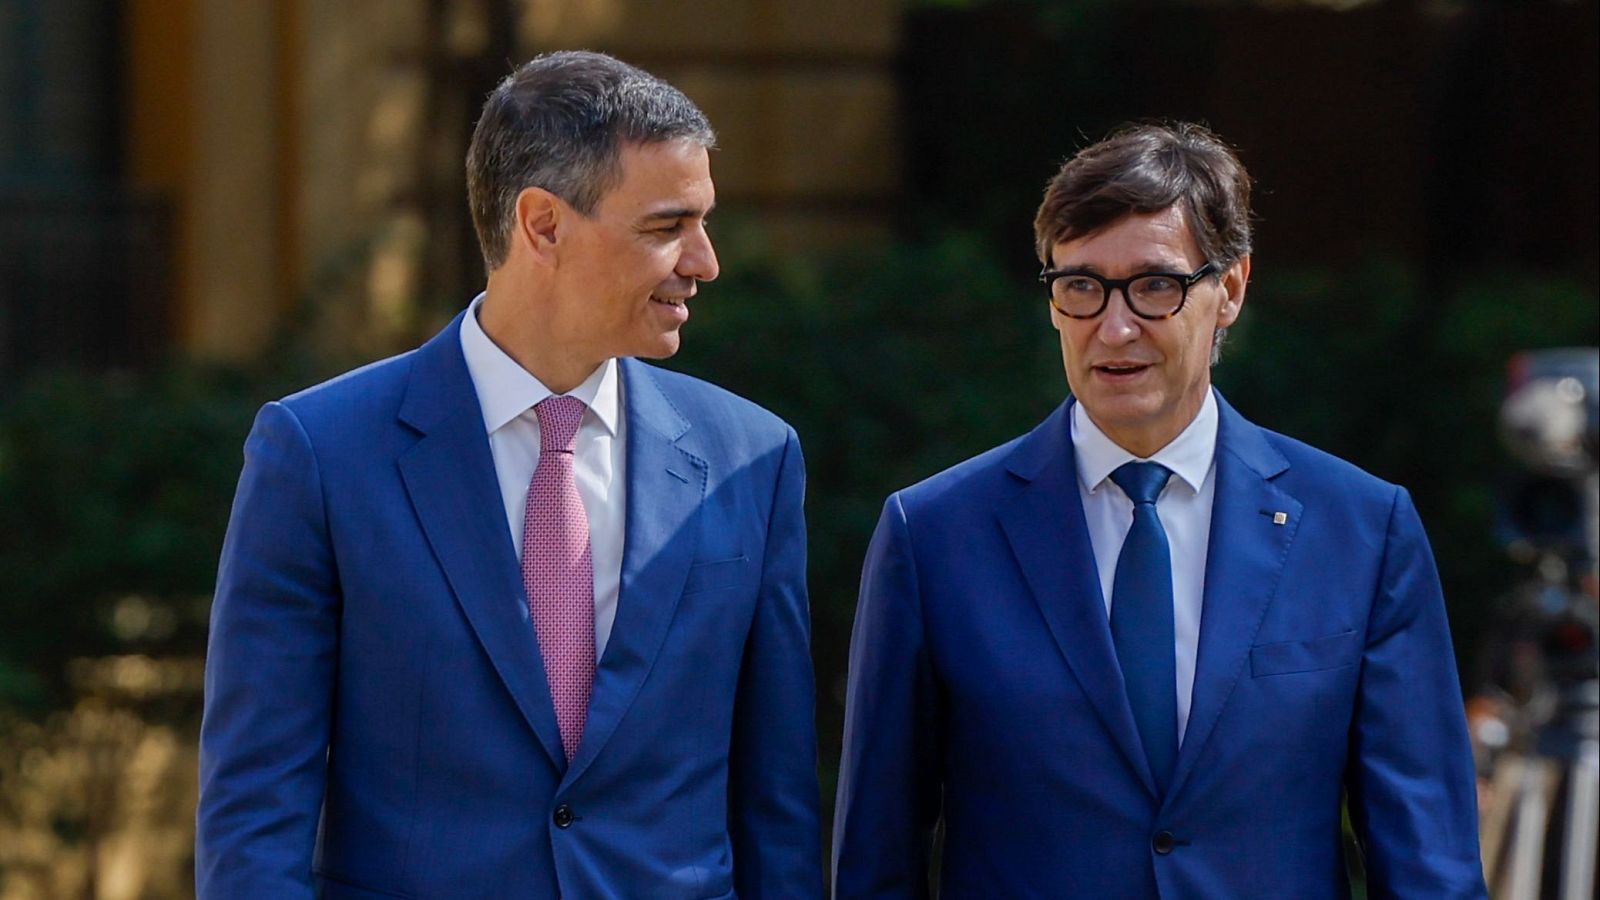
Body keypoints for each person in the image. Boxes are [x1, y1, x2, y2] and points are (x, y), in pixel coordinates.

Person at [197, 51, 821, 899]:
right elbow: (254, 812)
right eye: (666, 226)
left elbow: (775, 807)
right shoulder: (319, 453)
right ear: (544, 226)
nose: (704, 261)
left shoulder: (754, 456)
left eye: (703, 222)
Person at [832, 122, 1485, 898]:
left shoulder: (1362, 529)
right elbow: (877, 858)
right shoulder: (934, 534)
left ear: (1231, 289)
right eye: (1081, 286)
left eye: (1154, 286)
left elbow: (1427, 863)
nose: (1114, 327)